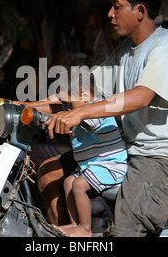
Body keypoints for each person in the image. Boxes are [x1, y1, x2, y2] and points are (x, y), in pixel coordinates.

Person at [40, 0, 168, 236]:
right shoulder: (126, 49)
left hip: (161, 155)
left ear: (139, 11)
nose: (109, 14)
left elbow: (141, 96)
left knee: (124, 231)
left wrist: (80, 112)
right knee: (50, 175)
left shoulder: (165, 48)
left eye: (116, 6)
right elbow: (83, 90)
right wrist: (24, 105)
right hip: (126, 146)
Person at [53, 67, 127, 237]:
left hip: (110, 166)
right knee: (68, 182)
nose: (67, 109)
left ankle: (85, 228)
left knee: (78, 185)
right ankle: (75, 223)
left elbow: (90, 123)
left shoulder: (97, 109)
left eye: (69, 104)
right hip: (92, 166)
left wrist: (71, 117)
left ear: (85, 95)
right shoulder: (80, 111)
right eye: (65, 105)